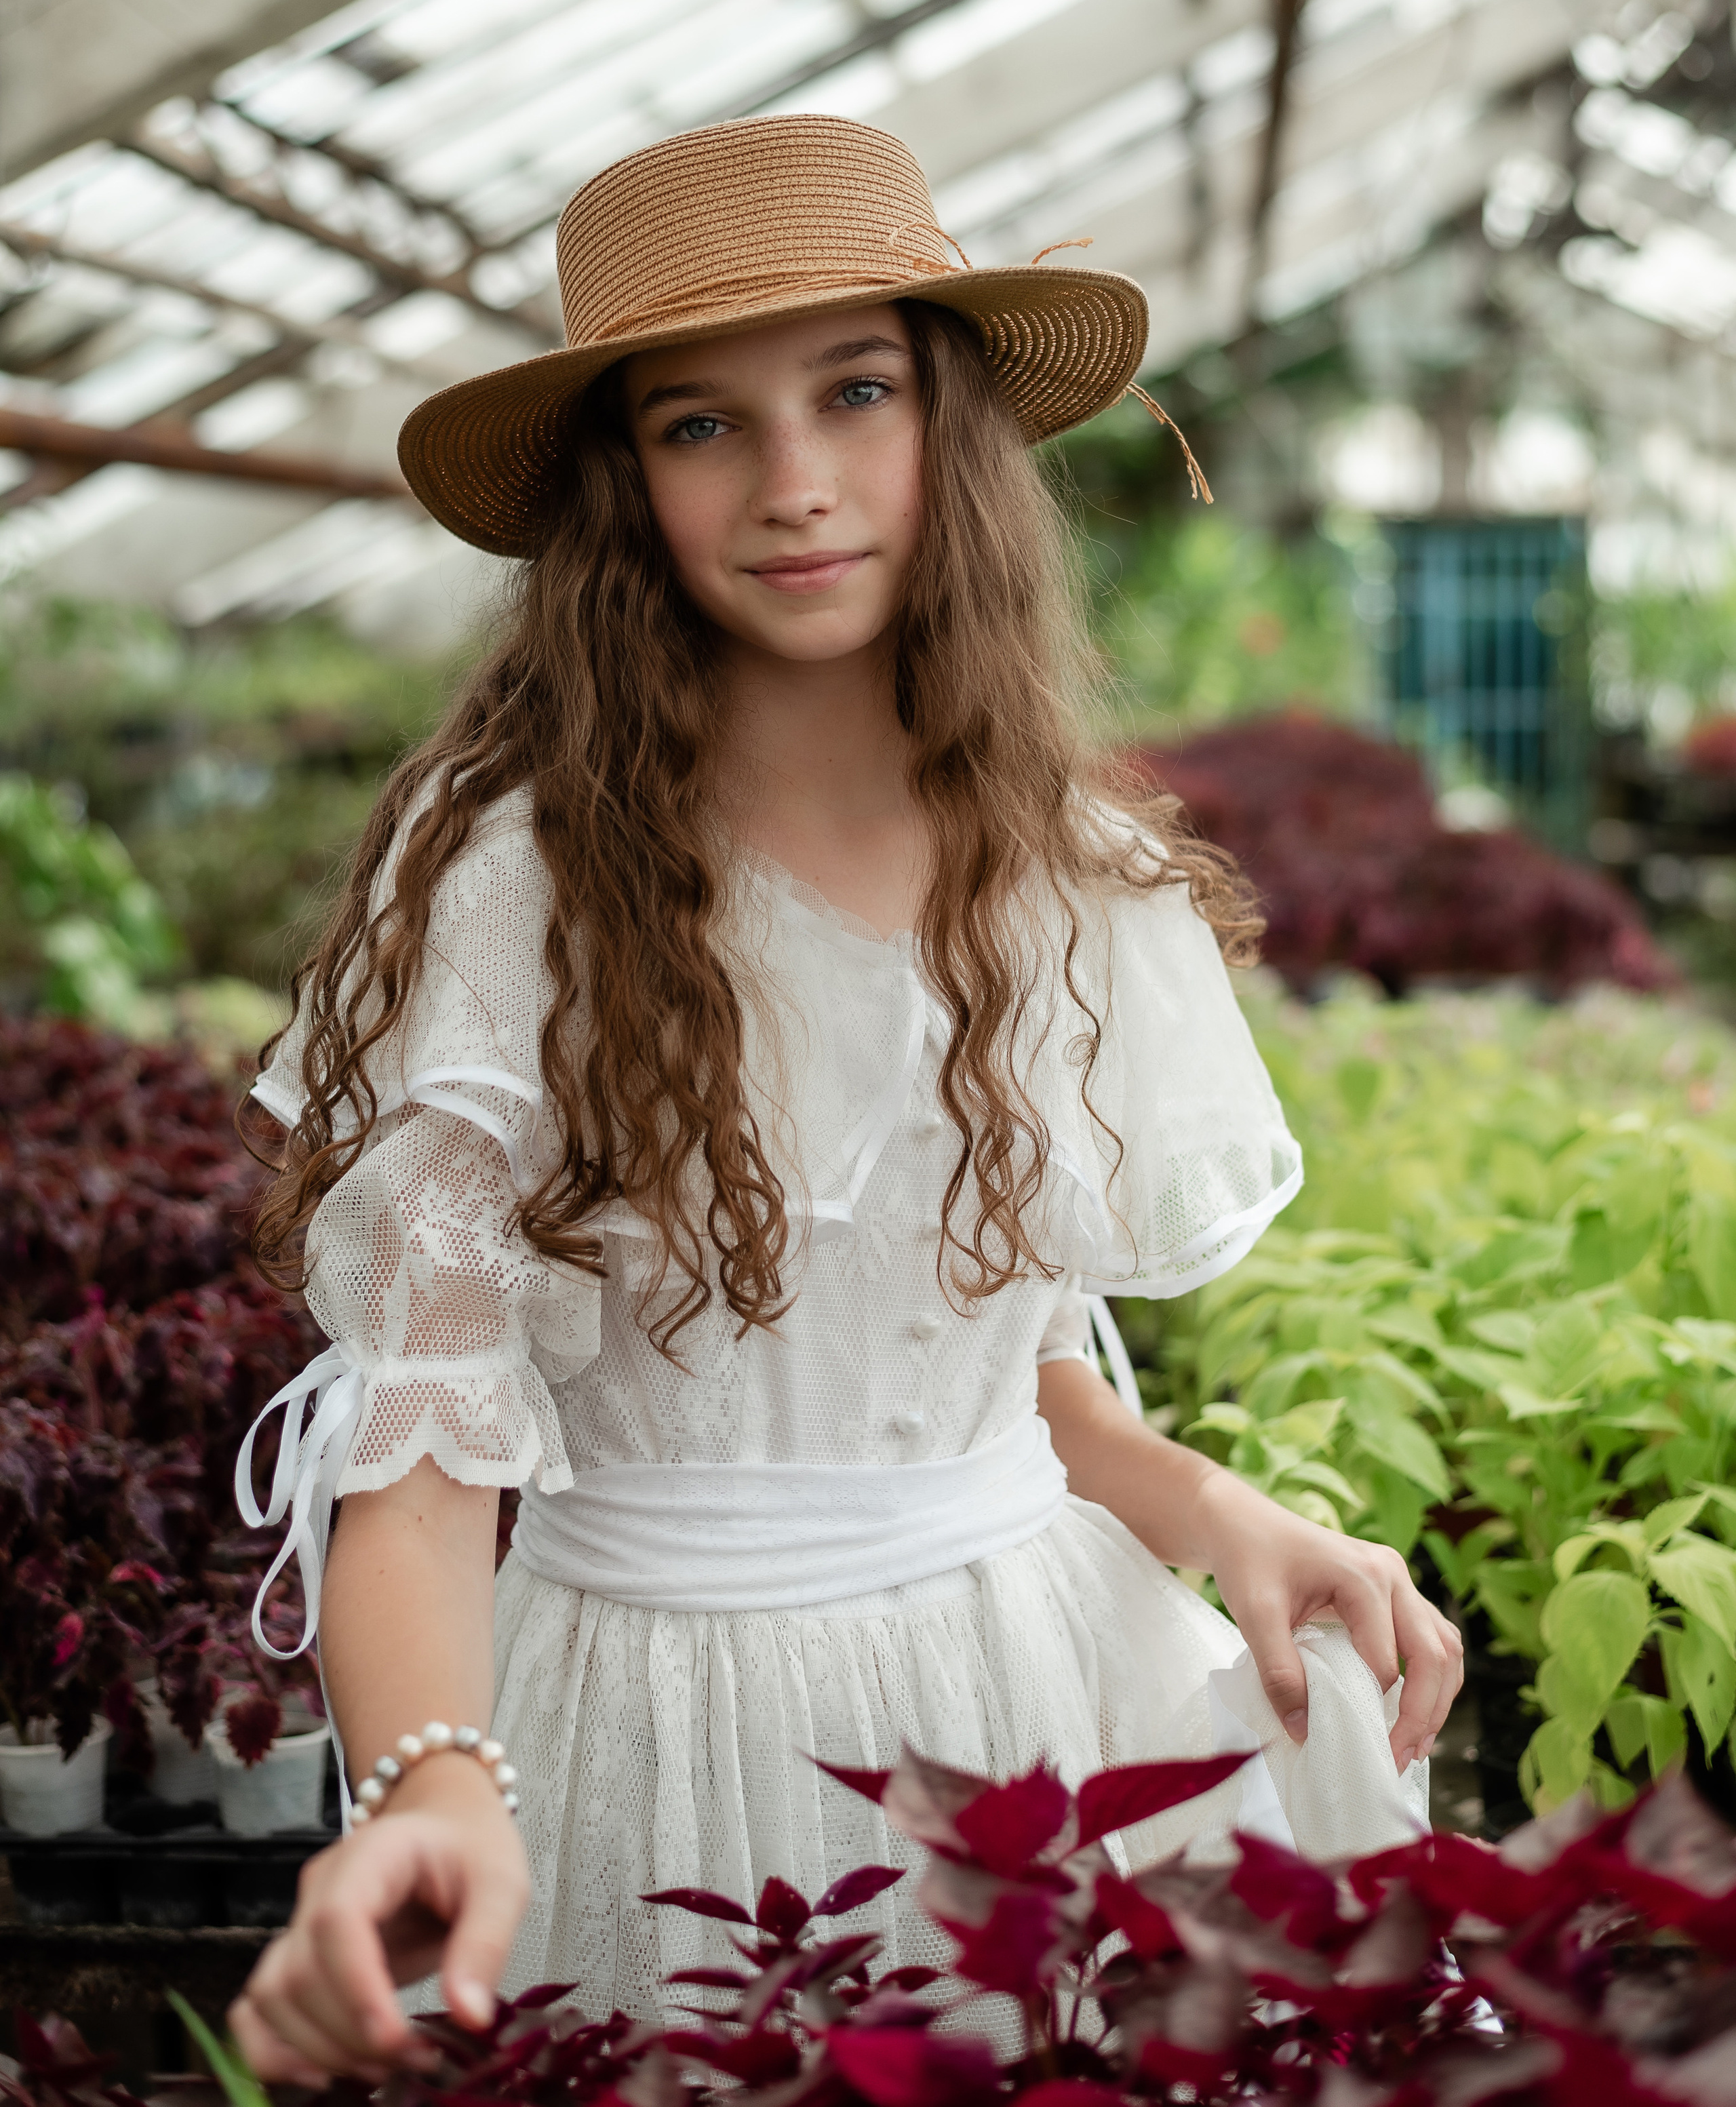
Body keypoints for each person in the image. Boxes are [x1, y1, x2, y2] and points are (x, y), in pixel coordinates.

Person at [229, 115, 1461, 2084]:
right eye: (702, 424)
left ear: (949, 422)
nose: (795, 485)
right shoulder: (515, 884)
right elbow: (424, 1433)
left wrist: (1222, 1508)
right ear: (624, 484)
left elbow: (989, 1352)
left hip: (1034, 1676)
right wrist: (428, 1783)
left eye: (858, 390)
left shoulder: (1067, 868)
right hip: (653, 1710)